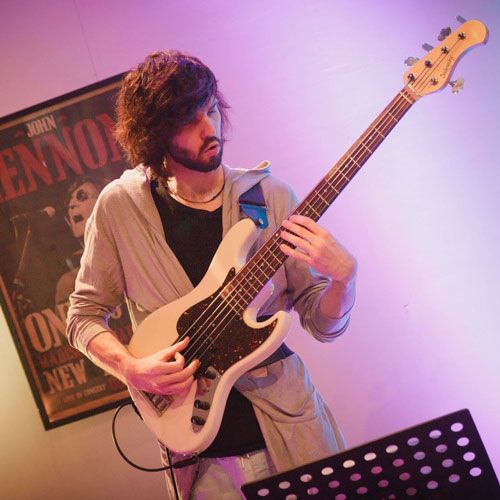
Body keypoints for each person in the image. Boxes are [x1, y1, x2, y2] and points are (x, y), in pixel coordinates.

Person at [66, 50, 357, 499]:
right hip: (200, 464)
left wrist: (344, 281)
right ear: (156, 134)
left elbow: (322, 323)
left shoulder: (270, 197)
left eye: (212, 109)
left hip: (292, 437)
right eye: (190, 119)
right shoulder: (120, 207)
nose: (210, 129)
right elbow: (82, 316)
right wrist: (131, 368)